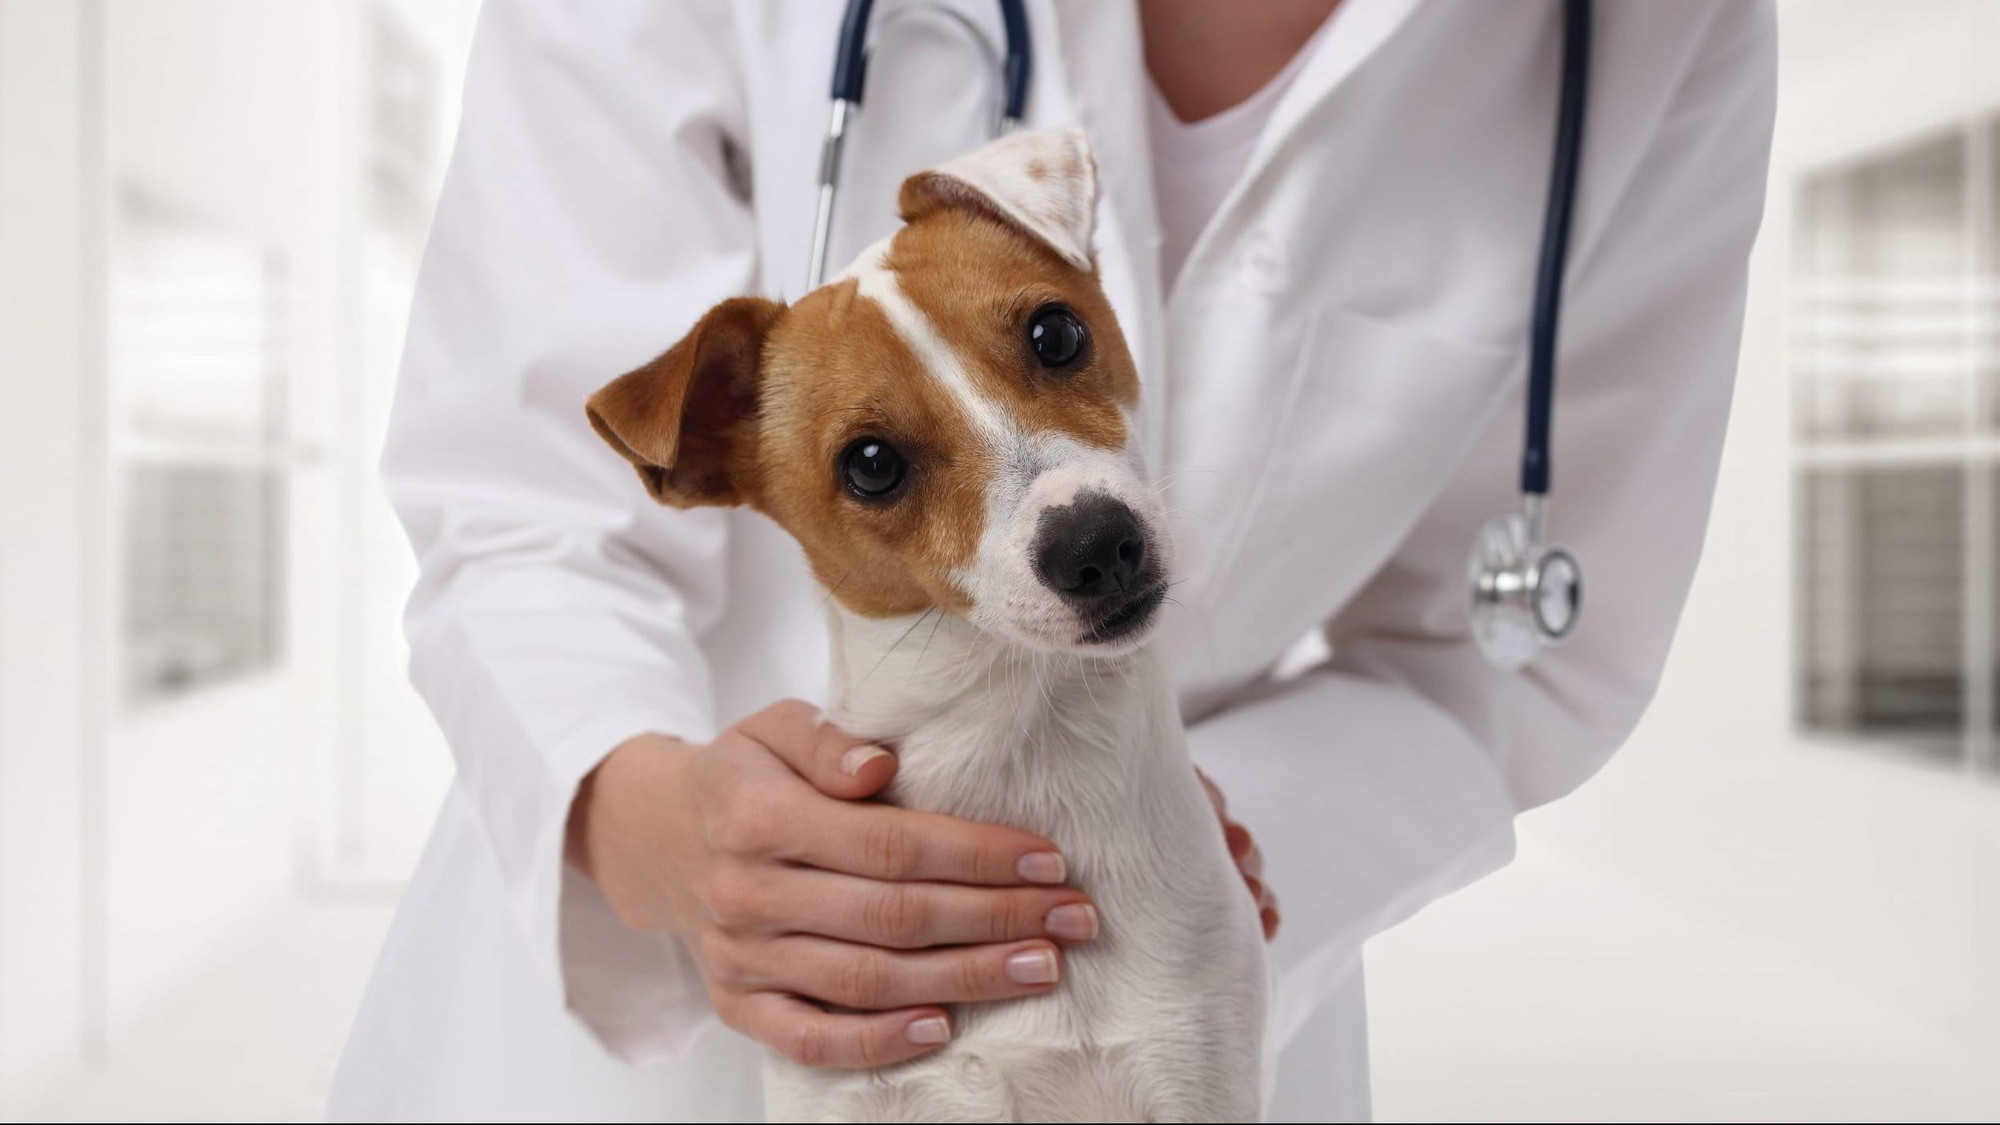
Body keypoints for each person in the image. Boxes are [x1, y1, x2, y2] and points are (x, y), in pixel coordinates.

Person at [327, 0, 1776, 1120]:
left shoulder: (1652, 36)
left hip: (1188, 975)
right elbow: (518, 501)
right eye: (881, 467)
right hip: (658, 985)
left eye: (1053, 339)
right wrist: (655, 822)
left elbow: (1531, 646)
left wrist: (1199, 854)